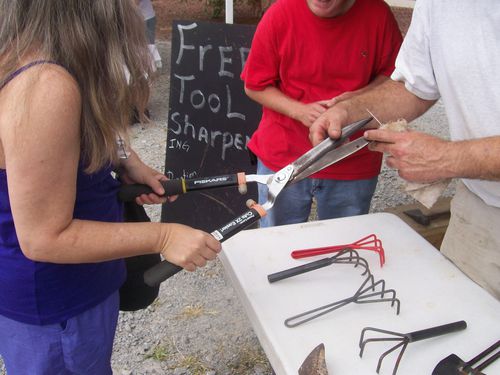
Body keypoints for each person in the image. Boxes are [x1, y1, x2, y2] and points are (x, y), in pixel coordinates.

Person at [0, 1, 221, 374]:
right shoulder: (44, 86)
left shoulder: (39, 55)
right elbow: (42, 237)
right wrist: (164, 237)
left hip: (74, 290)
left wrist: (124, 157)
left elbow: (71, 136)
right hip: (59, 304)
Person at [309, 0, 500, 299]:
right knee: (463, 333)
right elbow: (414, 86)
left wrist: (447, 158)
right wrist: (352, 110)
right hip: (479, 211)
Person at [241, 0, 402, 227]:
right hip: (284, 156)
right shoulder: (280, 13)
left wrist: (356, 102)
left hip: (350, 156)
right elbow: (254, 85)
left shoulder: (378, 14)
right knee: (275, 246)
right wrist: (300, 111)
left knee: (343, 248)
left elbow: (395, 77)